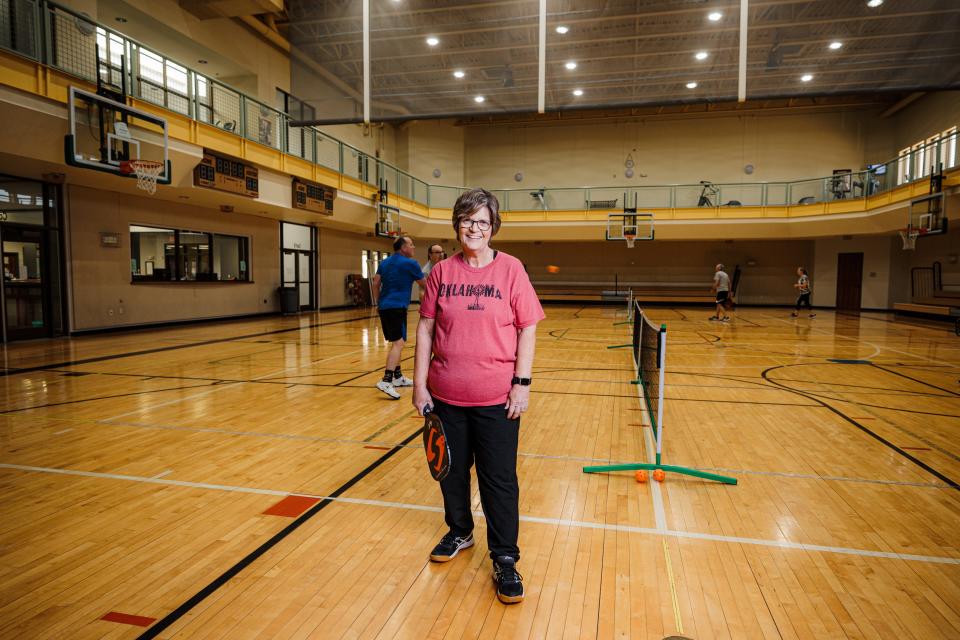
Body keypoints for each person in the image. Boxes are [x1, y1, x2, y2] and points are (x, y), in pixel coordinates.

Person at [414, 188, 545, 605]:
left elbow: (527, 327)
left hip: (496, 400)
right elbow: (425, 329)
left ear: (493, 228)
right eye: (468, 221)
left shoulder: (511, 270)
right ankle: (460, 532)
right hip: (446, 396)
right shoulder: (441, 272)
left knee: (499, 481)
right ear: (457, 225)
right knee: (450, 473)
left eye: (483, 222)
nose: (475, 229)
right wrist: (419, 385)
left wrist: (521, 385)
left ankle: (505, 557)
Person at [371, 235, 425, 399]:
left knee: (398, 341)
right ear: (403, 248)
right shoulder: (411, 264)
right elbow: (425, 284)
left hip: (386, 307)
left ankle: (398, 377)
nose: (413, 247)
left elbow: (375, 283)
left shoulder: (385, 262)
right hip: (396, 307)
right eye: (411, 244)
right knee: (399, 343)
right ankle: (386, 380)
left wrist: (377, 303)